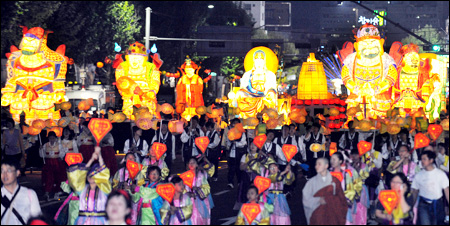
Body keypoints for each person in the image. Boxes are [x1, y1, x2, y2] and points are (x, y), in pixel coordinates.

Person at [68, 146, 111, 225]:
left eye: (94, 175)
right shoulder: (82, 189)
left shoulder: (104, 189)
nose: (91, 177)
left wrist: (99, 155)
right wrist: (91, 159)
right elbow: (79, 175)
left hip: (101, 222)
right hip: (83, 222)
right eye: (89, 175)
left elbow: (105, 173)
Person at [302, 158, 347, 225]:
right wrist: (318, 200)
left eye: (319, 164)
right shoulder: (311, 183)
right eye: (316, 164)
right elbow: (306, 199)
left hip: (332, 215)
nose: (316, 166)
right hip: (318, 216)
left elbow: (341, 199)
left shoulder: (334, 181)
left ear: (326, 166)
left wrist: (330, 200)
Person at [411, 151, 449, 225]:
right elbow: (415, 191)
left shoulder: (440, 174)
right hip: (423, 204)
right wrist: (412, 206)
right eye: (421, 159)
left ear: (431, 160)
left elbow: (447, 190)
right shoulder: (419, 175)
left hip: (437, 204)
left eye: (424, 159)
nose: (422, 161)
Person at [1, 158, 41, 225]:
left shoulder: (30, 194)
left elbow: (37, 221)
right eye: (2, 171)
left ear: (18, 173)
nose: (5, 175)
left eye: (9, 170)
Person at [185, 157, 215, 225]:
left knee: (201, 218)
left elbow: (206, 188)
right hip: (191, 201)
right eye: (190, 163)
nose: (192, 164)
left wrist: (198, 189)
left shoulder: (201, 175)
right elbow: (183, 189)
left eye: (193, 162)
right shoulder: (185, 176)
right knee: (193, 218)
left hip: (201, 200)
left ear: (197, 165)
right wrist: (188, 194)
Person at [39, 131, 66, 201]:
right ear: (48, 138)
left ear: (55, 138)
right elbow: (42, 155)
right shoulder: (45, 145)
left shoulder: (59, 145)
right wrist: (40, 149)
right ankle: (47, 191)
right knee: (48, 177)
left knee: (58, 177)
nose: (51, 140)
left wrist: (61, 157)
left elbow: (62, 153)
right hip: (48, 163)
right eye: (50, 138)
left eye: (53, 138)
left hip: (57, 163)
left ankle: (57, 191)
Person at [226, 118, 247, 189]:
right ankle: (230, 182)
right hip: (232, 152)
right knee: (231, 168)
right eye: (234, 123)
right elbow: (228, 141)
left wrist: (236, 143)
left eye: (236, 123)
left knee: (238, 168)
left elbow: (243, 143)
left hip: (239, 153)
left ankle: (239, 181)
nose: (235, 124)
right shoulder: (231, 132)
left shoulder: (242, 133)